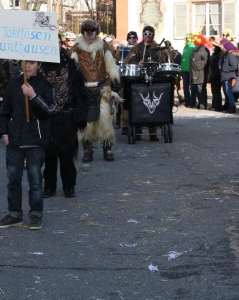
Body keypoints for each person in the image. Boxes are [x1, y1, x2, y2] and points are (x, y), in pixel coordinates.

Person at [0, 60, 56, 230]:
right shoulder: (14, 84)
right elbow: (5, 111)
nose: (28, 66)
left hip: (36, 140)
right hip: (14, 140)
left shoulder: (45, 85)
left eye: (32, 63)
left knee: (35, 180)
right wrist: (3, 133)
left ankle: (36, 214)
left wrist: (33, 96)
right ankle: (14, 214)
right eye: (25, 62)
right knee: (13, 180)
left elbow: (50, 111)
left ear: (39, 65)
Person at [70, 19, 121, 160]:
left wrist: (113, 84)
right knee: (85, 122)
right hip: (84, 89)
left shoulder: (104, 46)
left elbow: (111, 68)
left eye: (92, 30)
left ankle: (107, 149)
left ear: (96, 31)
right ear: (83, 32)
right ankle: (88, 150)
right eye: (87, 30)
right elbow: (72, 71)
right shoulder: (76, 48)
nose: (89, 33)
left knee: (105, 119)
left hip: (102, 87)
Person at [41, 48, 88, 198]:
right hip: (45, 116)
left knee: (66, 155)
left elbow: (80, 92)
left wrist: (78, 116)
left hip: (66, 116)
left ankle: (69, 186)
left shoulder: (70, 67)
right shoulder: (39, 67)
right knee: (48, 156)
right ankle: (49, 186)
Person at [125, 25, 173, 141]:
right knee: (137, 104)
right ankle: (137, 129)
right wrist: (138, 63)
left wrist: (168, 53)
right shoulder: (136, 47)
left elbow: (164, 61)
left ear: (153, 35)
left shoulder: (158, 47)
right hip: (140, 78)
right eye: (145, 34)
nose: (147, 36)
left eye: (150, 34)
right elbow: (128, 60)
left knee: (156, 102)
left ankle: (153, 132)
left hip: (155, 77)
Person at [190, 34, 210, 110]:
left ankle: (203, 104)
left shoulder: (203, 49)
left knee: (200, 89)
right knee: (196, 89)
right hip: (195, 72)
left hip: (200, 72)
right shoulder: (196, 48)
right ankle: (200, 102)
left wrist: (199, 66)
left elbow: (205, 60)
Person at [220, 38, 239, 113]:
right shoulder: (226, 55)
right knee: (226, 92)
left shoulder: (230, 55)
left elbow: (234, 66)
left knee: (229, 92)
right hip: (225, 76)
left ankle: (232, 106)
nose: (222, 48)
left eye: (223, 47)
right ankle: (228, 105)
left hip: (228, 76)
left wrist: (225, 69)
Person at [207, 39, 223, 111]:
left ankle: (217, 106)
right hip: (213, 73)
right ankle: (214, 105)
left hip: (217, 75)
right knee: (214, 91)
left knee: (217, 91)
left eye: (213, 46)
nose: (212, 47)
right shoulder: (214, 54)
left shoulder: (218, 54)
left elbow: (217, 66)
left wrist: (214, 74)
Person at [180, 34, 196, 108]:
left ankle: (192, 102)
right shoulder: (185, 47)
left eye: (186, 39)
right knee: (185, 87)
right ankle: (187, 101)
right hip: (184, 69)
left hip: (190, 69)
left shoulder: (192, 46)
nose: (185, 40)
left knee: (192, 87)